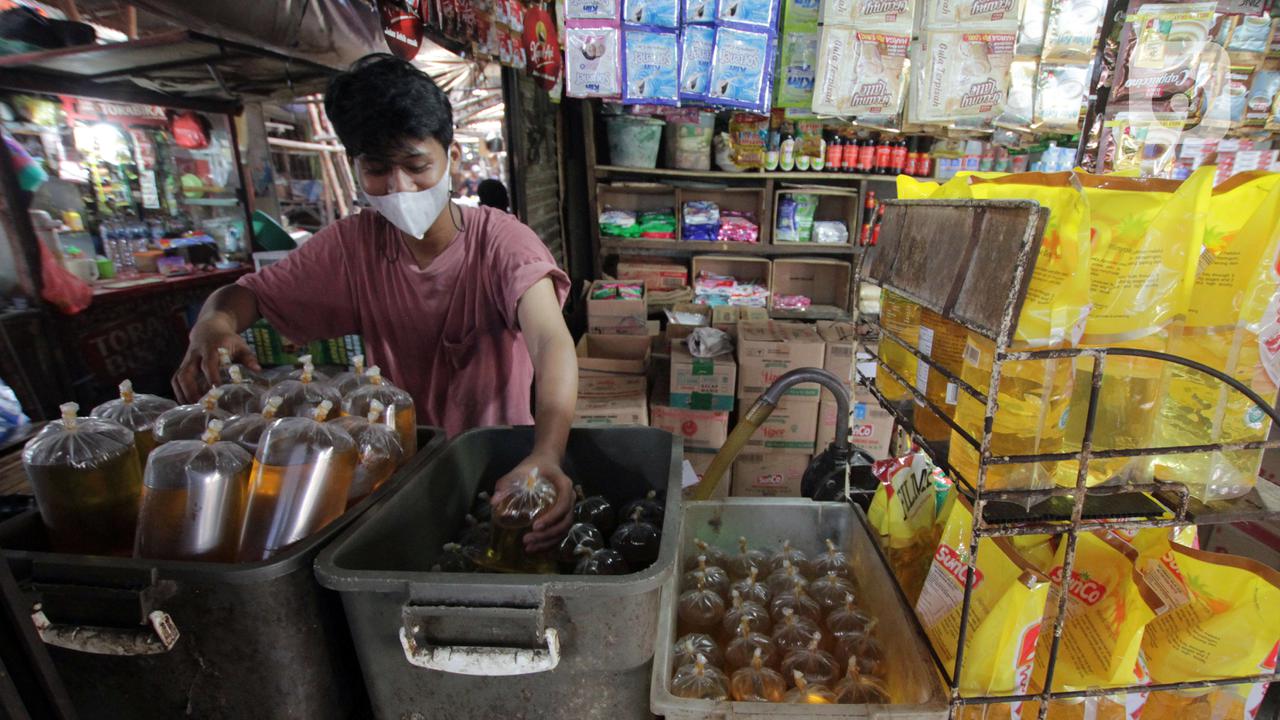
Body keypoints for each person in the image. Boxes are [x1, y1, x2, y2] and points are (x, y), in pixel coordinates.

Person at [172, 54, 578, 552]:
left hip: (502, 468)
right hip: (398, 471)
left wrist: (548, 451)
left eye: (416, 166)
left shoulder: (503, 244)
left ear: (450, 155)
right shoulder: (352, 246)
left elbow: (550, 340)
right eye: (378, 169)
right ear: (355, 166)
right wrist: (213, 323)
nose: (399, 187)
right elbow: (248, 295)